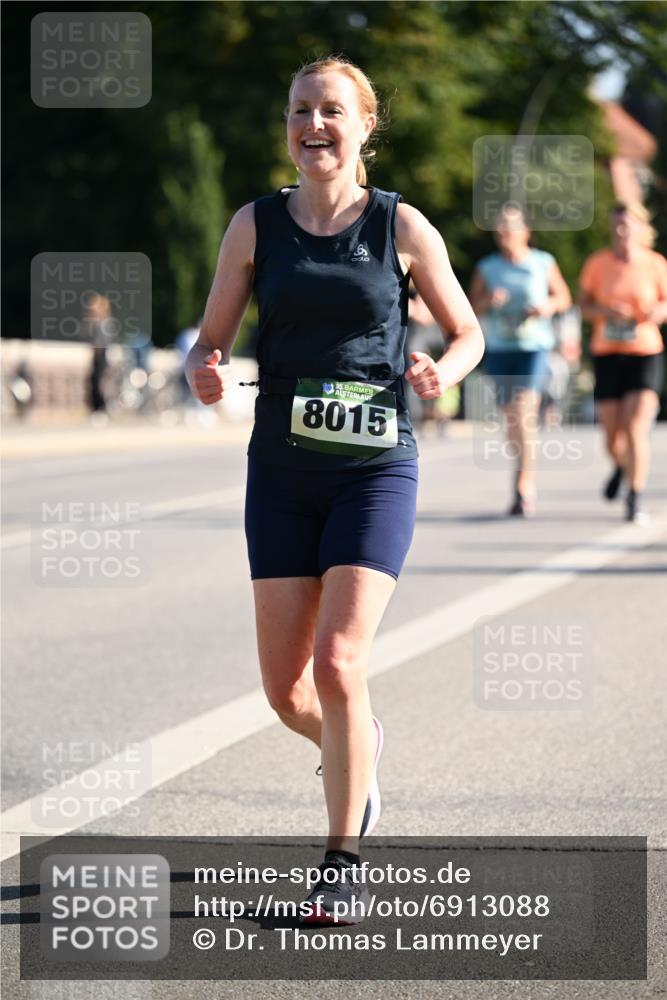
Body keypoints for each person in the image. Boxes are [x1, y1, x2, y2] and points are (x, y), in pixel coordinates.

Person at [186, 56, 484, 924]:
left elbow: (465, 332)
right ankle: (360, 752)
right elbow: (208, 341)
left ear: (363, 128)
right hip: (278, 474)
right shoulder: (253, 226)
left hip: (371, 470)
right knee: (288, 695)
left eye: (330, 112)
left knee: (340, 661)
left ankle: (339, 864)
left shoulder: (399, 225)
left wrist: (443, 371)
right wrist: (204, 372)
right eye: (299, 111)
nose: (312, 125)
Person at [469, 205, 571, 515]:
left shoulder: (543, 262)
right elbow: (470, 307)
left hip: (534, 347)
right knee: (511, 419)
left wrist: (546, 307)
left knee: (524, 411)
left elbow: (563, 297)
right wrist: (488, 301)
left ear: (526, 231)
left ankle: (523, 484)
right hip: (500, 349)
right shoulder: (487, 267)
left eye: (510, 227)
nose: (504, 233)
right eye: (499, 228)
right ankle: (521, 469)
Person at [578, 202, 667, 524]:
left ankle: (634, 495)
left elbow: (665, 302)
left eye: (627, 225)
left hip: (644, 352)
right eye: (616, 225)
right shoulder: (597, 263)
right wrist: (604, 312)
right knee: (612, 435)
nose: (621, 231)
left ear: (642, 228)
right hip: (607, 352)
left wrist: (658, 312)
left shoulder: (655, 264)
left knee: (634, 428)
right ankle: (620, 465)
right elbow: (583, 306)